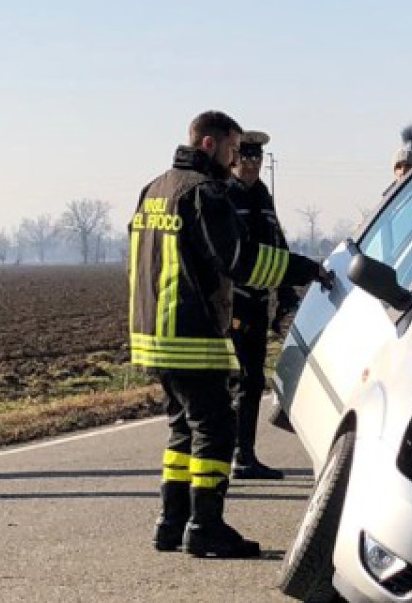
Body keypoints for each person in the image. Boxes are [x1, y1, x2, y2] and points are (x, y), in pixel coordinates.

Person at [130, 110, 331, 558]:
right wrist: (304, 269)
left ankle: (171, 522)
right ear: (210, 145)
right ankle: (206, 526)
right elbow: (242, 261)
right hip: (191, 332)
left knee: (183, 428)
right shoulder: (204, 193)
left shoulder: (156, 188)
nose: (236, 157)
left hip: (152, 332)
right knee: (216, 429)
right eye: (233, 149)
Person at [225, 130, 297, 481]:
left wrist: (285, 297)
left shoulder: (262, 196)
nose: (253, 165)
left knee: (252, 381)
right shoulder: (222, 194)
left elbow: (277, 244)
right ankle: (229, 453)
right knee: (235, 381)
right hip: (229, 305)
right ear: (233, 159)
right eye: (246, 158)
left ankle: (244, 454)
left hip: (256, 303)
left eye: (258, 159)